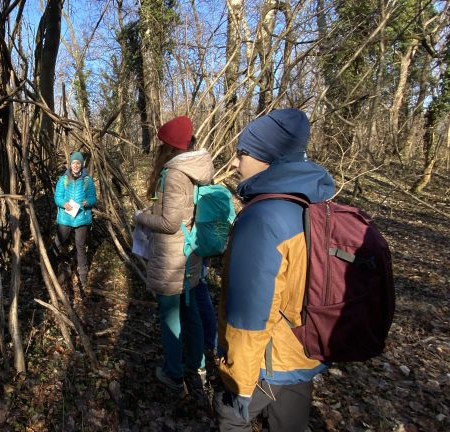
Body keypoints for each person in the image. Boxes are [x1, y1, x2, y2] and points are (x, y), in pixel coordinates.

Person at [216, 109, 335, 431]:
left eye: (243, 153)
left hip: (267, 362)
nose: (236, 163)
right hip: (303, 353)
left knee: (232, 419)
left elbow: (251, 315)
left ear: (268, 157)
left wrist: (239, 383)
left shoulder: (263, 218)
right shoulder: (311, 204)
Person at [134, 116, 215, 392]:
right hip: (190, 254)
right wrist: (153, 209)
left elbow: (169, 224)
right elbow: (179, 213)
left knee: (170, 316)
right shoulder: (196, 169)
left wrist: (141, 218)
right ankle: (197, 363)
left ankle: (173, 373)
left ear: (169, 148)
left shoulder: (175, 174)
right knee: (190, 312)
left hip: (171, 259)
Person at [53, 151, 97, 288]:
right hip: (66, 218)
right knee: (58, 242)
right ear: (70, 164)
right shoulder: (63, 179)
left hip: (81, 218)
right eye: (73, 163)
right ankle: (53, 266)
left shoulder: (87, 180)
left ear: (82, 164)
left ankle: (83, 276)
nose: (76, 165)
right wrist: (63, 203)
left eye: (78, 163)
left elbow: (93, 198)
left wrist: (87, 202)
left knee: (81, 246)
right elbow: (57, 197)